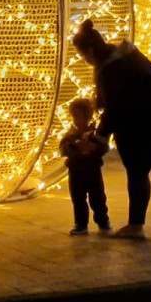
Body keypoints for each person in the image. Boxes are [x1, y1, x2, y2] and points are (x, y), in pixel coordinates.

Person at [73, 20, 151, 239]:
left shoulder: (110, 70)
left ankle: (136, 226)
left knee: (138, 173)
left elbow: (114, 109)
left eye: (83, 56)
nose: (85, 61)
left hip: (146, 126)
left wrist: (98, 138)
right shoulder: (127, 56)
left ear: (90, 50)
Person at [60, 97, 111, 234]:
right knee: (78, 199)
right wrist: (75, 147)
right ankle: (81, 224)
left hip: (92, 171)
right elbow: (63, 149)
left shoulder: (94, 134)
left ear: (88, 117)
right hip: (76, 172)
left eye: (79, 117)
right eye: (74, 117)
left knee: (98, 198)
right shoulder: (71, 135)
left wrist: (92, 149)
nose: (76, 121)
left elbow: (103, 147)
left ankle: (103, 221)